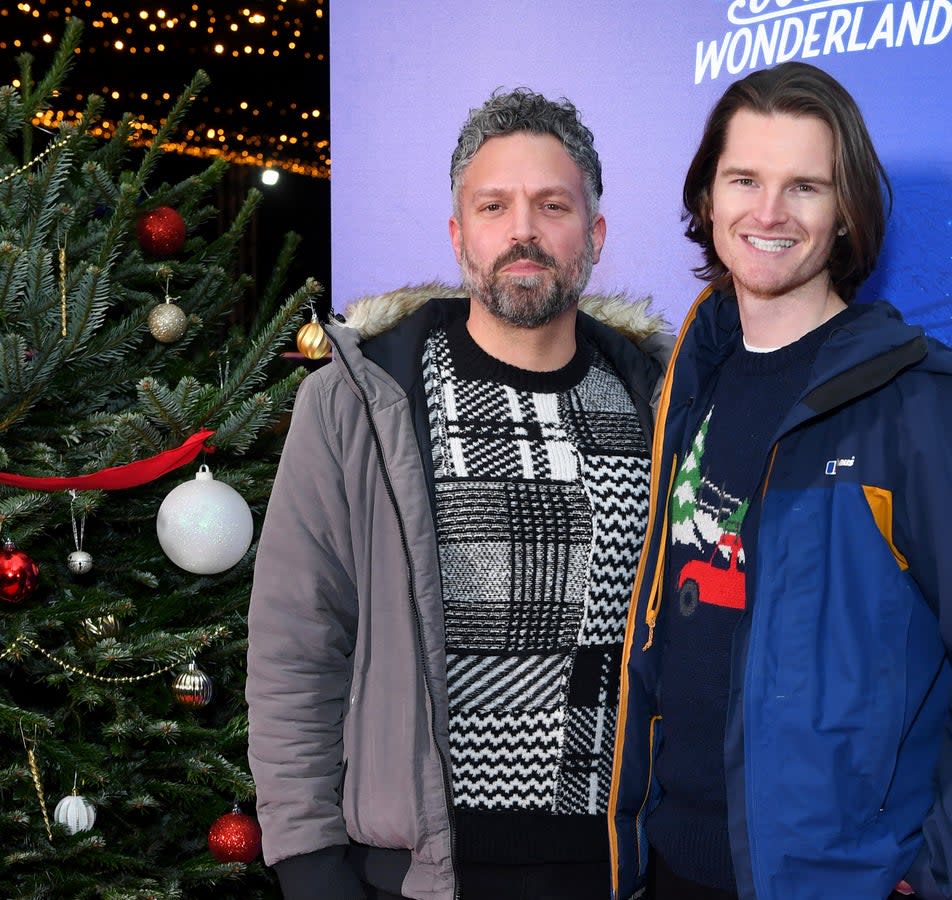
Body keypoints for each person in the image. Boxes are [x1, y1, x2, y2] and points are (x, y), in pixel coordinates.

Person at [608, 62, 952, 900]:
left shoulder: (918, 410)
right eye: (744, 179)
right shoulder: (683, 389)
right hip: (668, 868)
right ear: (708, 198)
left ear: (846, 212)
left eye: (804, 186)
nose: (769, 212)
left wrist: (938, 880)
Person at [247, 88, 672, 900]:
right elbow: (295, 642)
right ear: (458, 233)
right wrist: (306, 862)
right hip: (417, 876)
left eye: (553, 205)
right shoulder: (359, 403)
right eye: (494, 205)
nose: (524, 230)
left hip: (617, 870)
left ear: (595, 235)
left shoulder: (662, 402)